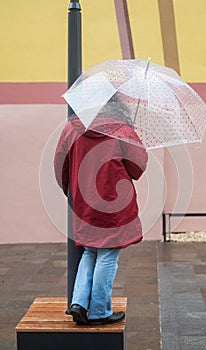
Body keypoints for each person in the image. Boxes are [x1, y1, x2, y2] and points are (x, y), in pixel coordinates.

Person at [54, 109, 148, 325]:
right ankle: (99, 311)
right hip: (114, 202)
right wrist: (131, 136)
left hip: (83, 200)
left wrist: (71, 191)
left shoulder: (71, 128)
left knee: (90, 250)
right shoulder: (122, 130)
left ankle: (78, 303)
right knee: (108, 254)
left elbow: (61, 163)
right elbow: (137, 168)